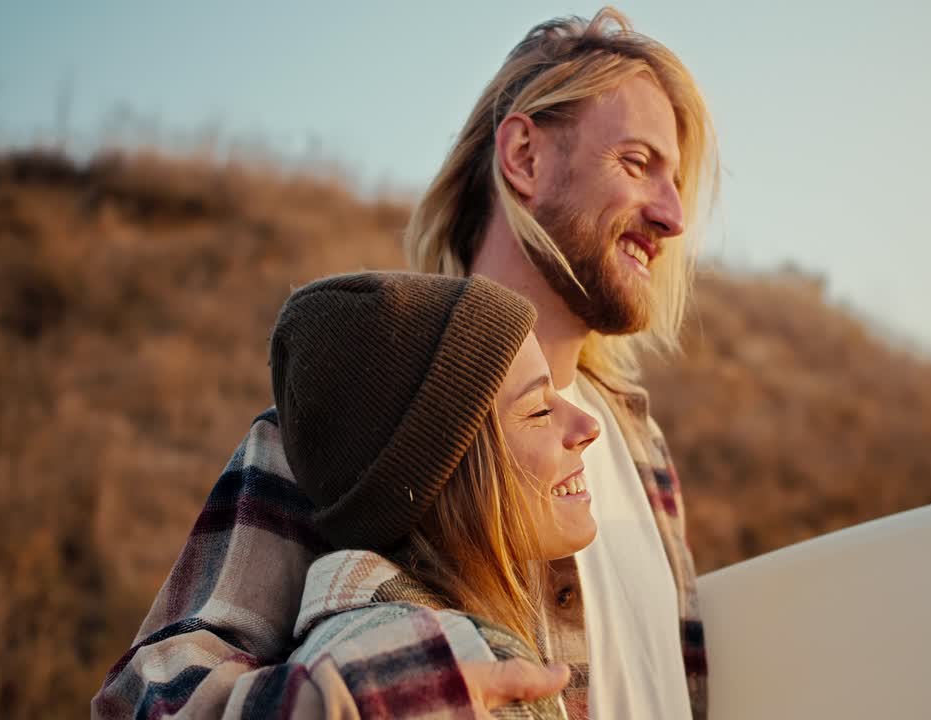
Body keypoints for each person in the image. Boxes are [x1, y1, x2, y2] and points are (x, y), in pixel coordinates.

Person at [94, 6, 717, 719]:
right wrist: (349, 700)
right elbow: (146, 701)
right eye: (638, 164)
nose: (673, 215)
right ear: (524, 158)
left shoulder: (644, 452)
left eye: (677, 182)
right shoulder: (361, 415)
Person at [255, 271, 597, 718]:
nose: (589, 427)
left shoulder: (337, 654)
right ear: (445, 474)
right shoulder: (466, 675)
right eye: (538, 409)